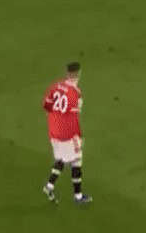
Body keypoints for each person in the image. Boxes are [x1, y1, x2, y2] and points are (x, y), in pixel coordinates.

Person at [42, 62, 91, 206]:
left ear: (67, 73)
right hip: (67, 133)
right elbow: (74, 117)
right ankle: (78, 196)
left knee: (61, 158)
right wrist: (78, 136)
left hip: (53, 131)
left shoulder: (56, 86)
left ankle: (49, 186)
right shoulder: (76, 93)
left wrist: (55, 120)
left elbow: (46, 106)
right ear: (78, 74)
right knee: (77, 161)